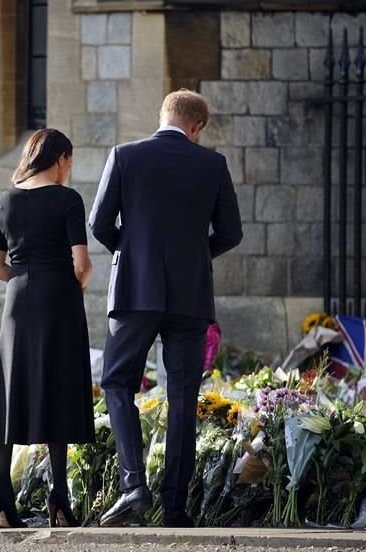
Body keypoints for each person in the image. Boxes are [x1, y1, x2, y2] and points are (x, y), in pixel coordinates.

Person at [89, 89, 243, 528]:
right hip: (190, 296)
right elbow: (230, 232)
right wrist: (195, 258)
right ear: (196, 127)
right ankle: (175, 508)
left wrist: (133, 253)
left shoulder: (125, 156)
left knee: (118, 383)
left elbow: (99, 223)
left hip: (135, 293)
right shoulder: (212, 164)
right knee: (182, 397)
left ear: (164, 116)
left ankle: (133, 484)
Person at [0, 128, 95, 528]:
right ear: (60, 158)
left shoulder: (5, 201)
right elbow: (81, 263)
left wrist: (24, 274)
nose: (69, 168)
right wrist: (75, 281)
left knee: (14, 389)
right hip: (59, 299)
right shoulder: (68, 200)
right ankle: (59, 496)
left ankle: (3, 496)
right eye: (70, 161)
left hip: (17, 299)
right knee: (58, 386)